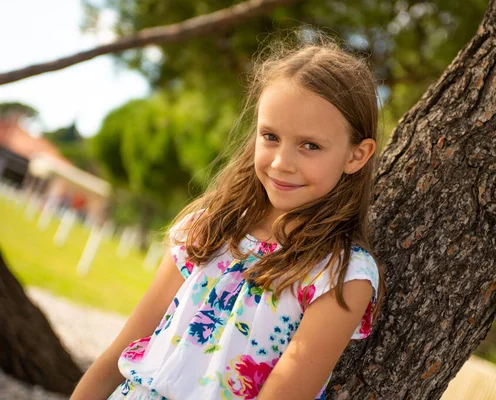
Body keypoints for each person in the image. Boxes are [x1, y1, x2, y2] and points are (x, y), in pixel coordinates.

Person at [71, 30, 386, 400]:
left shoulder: (341, 275)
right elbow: (121, 351)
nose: (282, 163)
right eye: (270, 136)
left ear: (356, 155)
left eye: (310, 145)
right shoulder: (207, 228)